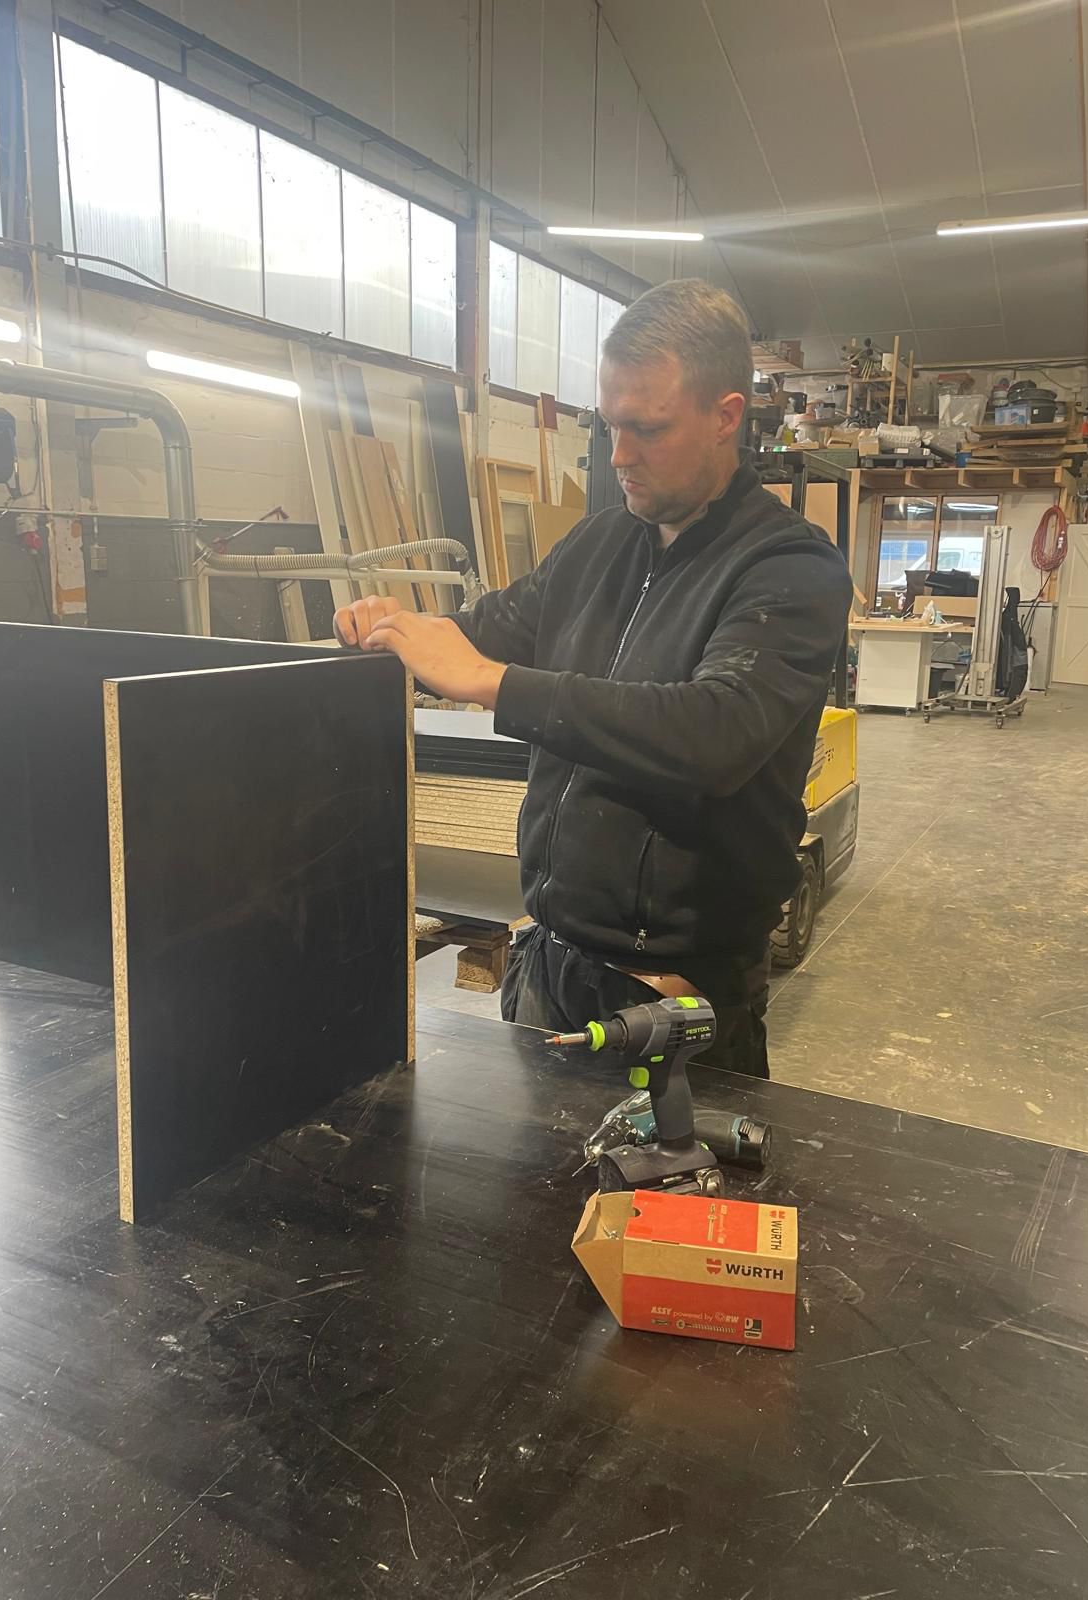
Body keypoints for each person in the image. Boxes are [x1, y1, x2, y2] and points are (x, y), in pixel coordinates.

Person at [335, 279, 851, 1076]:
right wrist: (394, 634)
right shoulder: (600, 544)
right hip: (546, 964)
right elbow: (484, 632)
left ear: (725, 416)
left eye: (649, 429)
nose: (619, 457)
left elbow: (715, 732)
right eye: (612, 426)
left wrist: (495, 685)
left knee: (655, 1192)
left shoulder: (788, 568)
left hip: (668, 994)